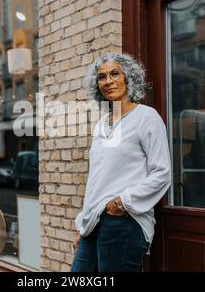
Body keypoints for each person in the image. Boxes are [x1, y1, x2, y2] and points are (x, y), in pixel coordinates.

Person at [70, 52, 171, 272]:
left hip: (123, 221)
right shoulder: (102, 124)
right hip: (93, 222)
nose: (108, 81)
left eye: (115, 74)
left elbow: (161, 173)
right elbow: (97, 178)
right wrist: (82, 225)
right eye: (102, 77)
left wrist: (121, 203)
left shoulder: (146, 117)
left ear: (128, 78)